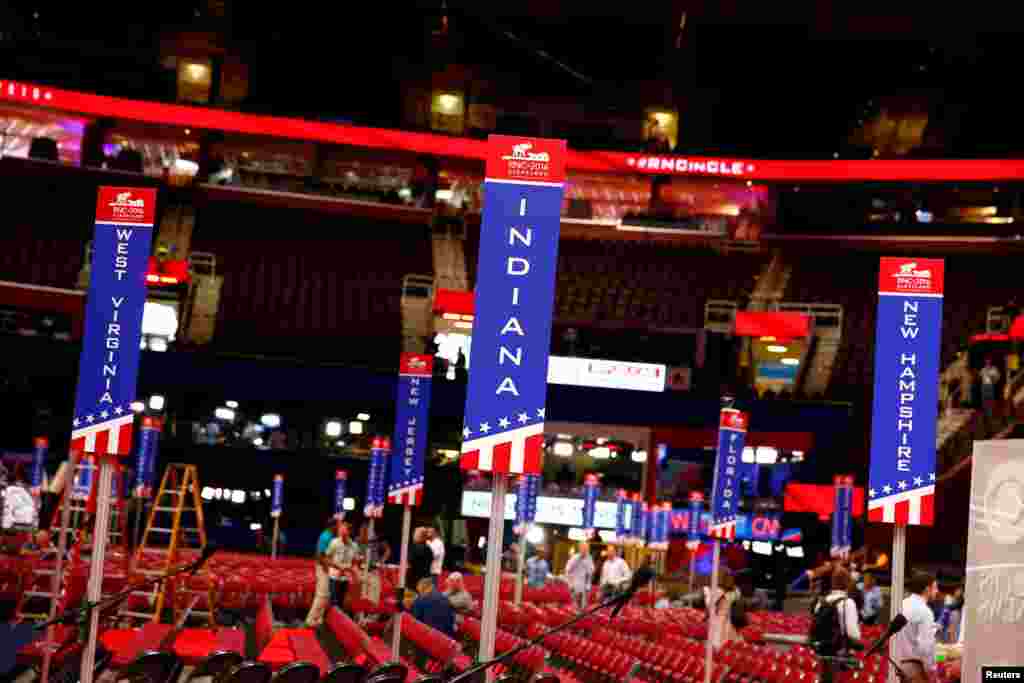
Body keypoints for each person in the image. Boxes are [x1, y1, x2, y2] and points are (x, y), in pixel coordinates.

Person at [892, 571, 939, 683]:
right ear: (927, 589)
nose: (937, 591)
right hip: (916, 669)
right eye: (935, 588)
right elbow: (925, 647)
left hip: (901, 666)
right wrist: (932, 669)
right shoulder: (925, 612)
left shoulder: (902, 604)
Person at [810, 567, 861, 653]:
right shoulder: (848, 602)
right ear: (847, 582)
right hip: (840, 653)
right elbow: (853, 634)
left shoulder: (821, 602)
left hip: (821, 651)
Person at [304, 518, 336, 627]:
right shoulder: (326, 536)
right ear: (333, 526)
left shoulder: (330, 536)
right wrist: (327, 569)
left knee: (325, 595)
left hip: (326, 568)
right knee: (321, 595)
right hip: (323, 568)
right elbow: (320, 555)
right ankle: (310, 620)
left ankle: (318, 619)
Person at [326, 521, 361, 613]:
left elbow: (355, 562)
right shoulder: (334, 542)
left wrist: (352, 571)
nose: (342, 531)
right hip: (334, 576)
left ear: (350, 532)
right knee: (333, 602)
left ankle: (336, 623)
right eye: (342, 529)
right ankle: (328, 623)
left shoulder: (354, 546)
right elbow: (327, 559)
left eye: (345, 529)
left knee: (341, 603)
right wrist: (338, 567)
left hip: (346, 577)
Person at [704, 573, 741, 651]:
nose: (730, 581)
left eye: (731, 580)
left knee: (727, 639)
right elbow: (709, 605)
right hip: (717, 619)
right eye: (728, 579)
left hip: (728, 619)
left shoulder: (735, 592)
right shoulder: (718, 591)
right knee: (717, 639)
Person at [564, 541, 595, 610]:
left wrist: (588, 586)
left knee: (583, 608)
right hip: (574, 586)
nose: (585, 550)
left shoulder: (589, 558)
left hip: (585, 587)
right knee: (575, 607)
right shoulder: (574, 558)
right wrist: (570, 585)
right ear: (580, 548)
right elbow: (567, 570)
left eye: (587, 548)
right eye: (583, 548)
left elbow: (591, 572)